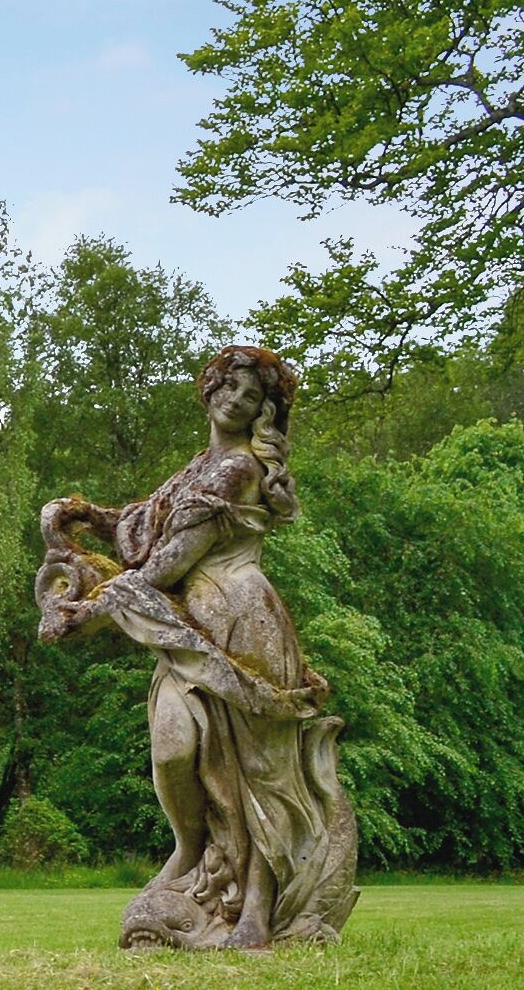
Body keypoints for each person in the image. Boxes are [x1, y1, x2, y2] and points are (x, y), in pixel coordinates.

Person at [36, 346, 358, 949]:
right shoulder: (197, 466)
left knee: (259, 772)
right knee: (173, 750)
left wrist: (87, 611)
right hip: (185, 629)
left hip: (242, 623)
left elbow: (163, 564)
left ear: (266, 415)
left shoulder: (236, 470)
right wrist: (78, 515)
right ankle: (191, 853)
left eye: (253, 398)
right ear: (210, 388)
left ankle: (258, 913)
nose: (236, 401)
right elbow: (142, 522)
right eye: (230, 386)